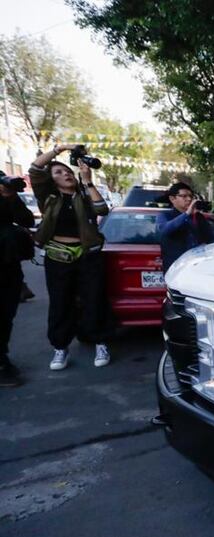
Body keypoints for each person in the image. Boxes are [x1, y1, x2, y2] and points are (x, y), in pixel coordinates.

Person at [30, 145, 112, 371]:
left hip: (88, 256)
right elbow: (35, 169)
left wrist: (88, 181)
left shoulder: (84, 194)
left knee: (94, 299)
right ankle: (60, 348)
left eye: (67, 171)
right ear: (51, 180)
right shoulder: (48, 196)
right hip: (58, 256)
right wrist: (61, 149)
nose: (65, 174)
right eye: (58, 172)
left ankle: (100, 342)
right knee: (60, 302)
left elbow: (102, 210)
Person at [0, 177, 34, 387]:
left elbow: (26, 220)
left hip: (8, 264)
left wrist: (10, 196)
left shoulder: (4, 186)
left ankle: (2, 358)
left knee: (6, 315)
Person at [155, 183, 214, 272]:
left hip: (198, 266)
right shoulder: (165, 216)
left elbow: (212, 238)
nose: (189, 199)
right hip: (176, 269)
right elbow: (165, 230)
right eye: (184, 196)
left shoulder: (198, 217)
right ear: (172, 199)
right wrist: (186, 214)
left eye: (190, 196)